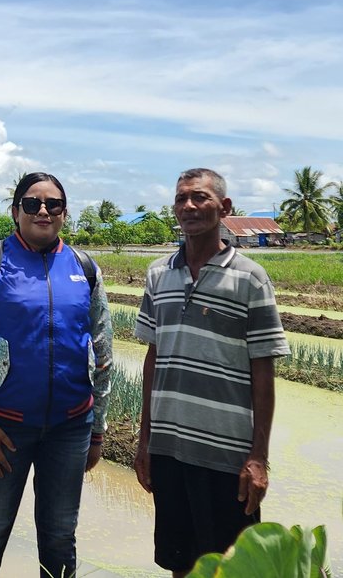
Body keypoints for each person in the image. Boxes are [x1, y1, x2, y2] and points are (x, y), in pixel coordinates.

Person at [0, 172, 113, 578]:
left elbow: (102, 352)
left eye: (53, 204)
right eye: (32, 203)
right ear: (15, 211)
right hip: (2, 431)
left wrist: (97, 429)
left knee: (59, 537)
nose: (42, 211)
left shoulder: (85, 268)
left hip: (70, 430)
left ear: (64, 213)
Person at [134, 168, 289, 577]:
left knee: (231, 566)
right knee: (179, 562)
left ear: (224, 208)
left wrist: (259, 457)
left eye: (200, 197)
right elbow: (154, 358)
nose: (189, 206)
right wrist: (144, 440)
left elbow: (263, 370)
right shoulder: (158, 274)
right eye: (181, 198)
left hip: (226, 457)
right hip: (168, 451)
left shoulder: (250, 278)